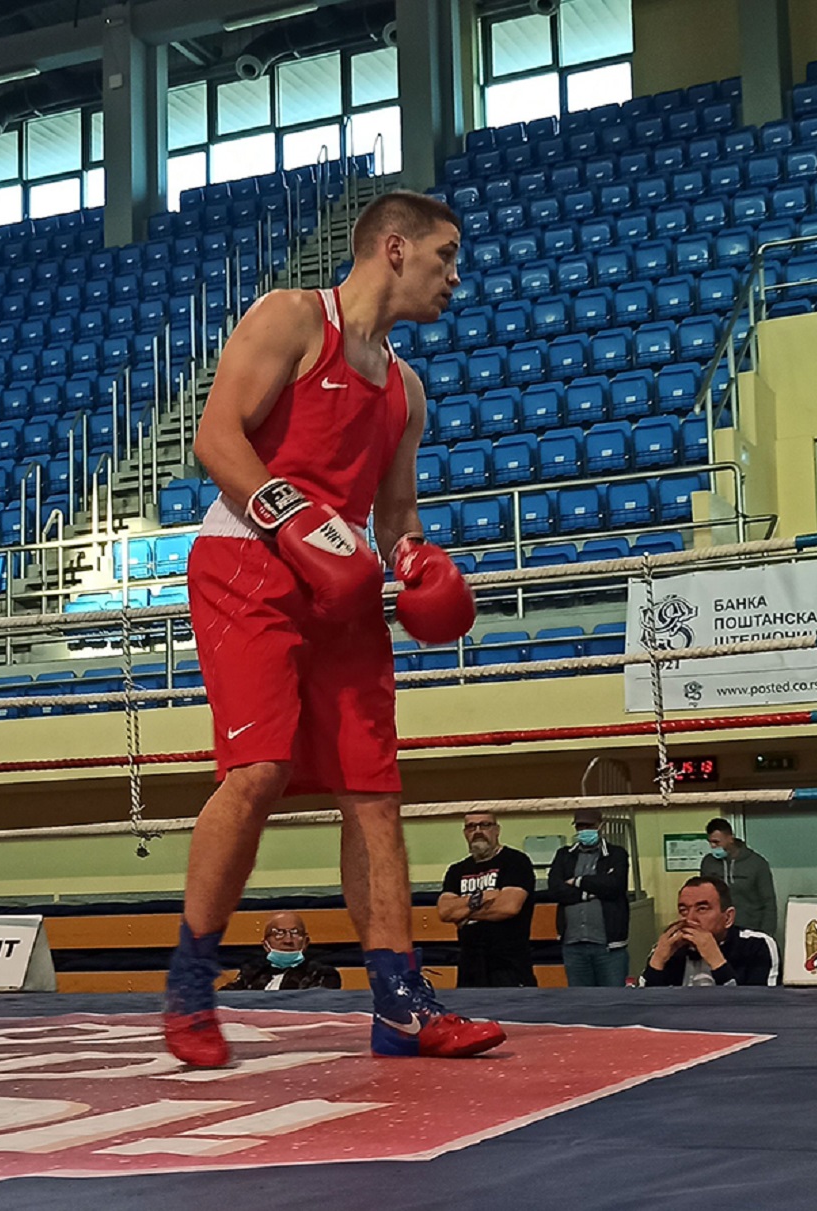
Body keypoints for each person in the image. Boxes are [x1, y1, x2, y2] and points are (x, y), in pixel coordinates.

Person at [164, 191, 502, 1067]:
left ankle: (400, 1003)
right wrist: (295, 522)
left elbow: (394, 518)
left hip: (342, 581)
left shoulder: (407, 389)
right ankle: (191, 985)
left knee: (373, 787)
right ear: (394, 249)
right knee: (260, 769)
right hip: (247, 557)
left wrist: (417, 560)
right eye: (445, 256)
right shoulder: (290, 318)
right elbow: (216, 436)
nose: (455, 277)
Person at [438, 812, 537, 987]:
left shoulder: (515, 861)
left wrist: (464, 913)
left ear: (496, 830)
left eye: (485, 825)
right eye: (471, 827)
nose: (477, 831)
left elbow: (508, 907)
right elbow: (445, 912)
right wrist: (483, 897)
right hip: (470, 966)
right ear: (465, 833)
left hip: (509, 966)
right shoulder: (456, 870)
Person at [641, 876, 778, 988]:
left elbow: (759, 1008)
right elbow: (641, 1006)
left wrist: (716, 961)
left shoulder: (757, 945)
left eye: (702, 909)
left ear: (728, 918)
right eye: (683, 910)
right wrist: (657, 962)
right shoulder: (670, 947)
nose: (690, 918)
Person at [548, 807, 631, 986]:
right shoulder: (564, 855)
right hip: (572, 945)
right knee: (581, 1003)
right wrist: (593, 892)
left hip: (609, 947)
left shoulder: (616, 854)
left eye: (589, 825)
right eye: (580, 826)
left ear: (600, 826)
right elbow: (555, 889)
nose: (584, 830)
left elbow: (615, 886)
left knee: (614, 1002)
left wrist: (578, 881)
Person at [700, 817, 777, 942]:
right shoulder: (708, 863)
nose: (713, 846)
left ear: (730, 838)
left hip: (750, 931)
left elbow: (768, 902)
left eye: (716, 842)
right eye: (710, 842)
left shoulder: (757, 863)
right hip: (717, 933)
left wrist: (766, 936)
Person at [221, 912, 343, 991]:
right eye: (279, 934)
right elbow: (226, 998)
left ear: (306, 942)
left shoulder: (323, 974)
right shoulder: (252, 972)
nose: (288, 940)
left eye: (295, 933)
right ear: (266, 945)